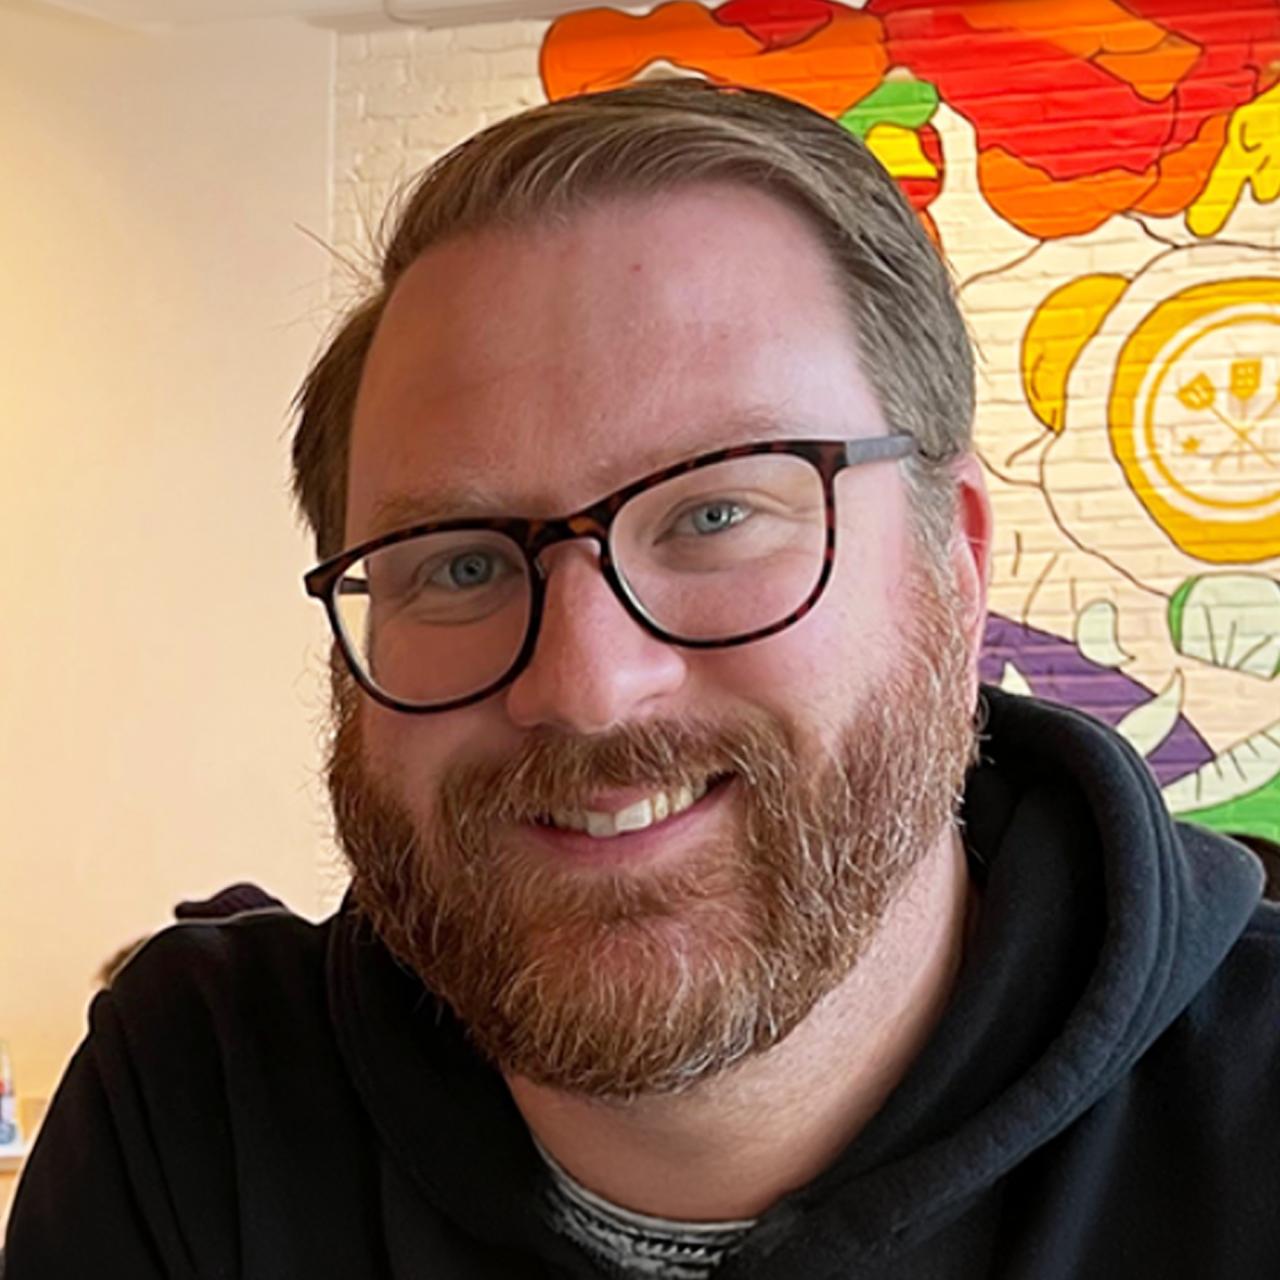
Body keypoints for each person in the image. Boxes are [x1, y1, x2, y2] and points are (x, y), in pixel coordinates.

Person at [6, 81, 1279, 1279]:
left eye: (716, 515)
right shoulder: (198, 1118)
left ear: (955, 564)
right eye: (458, 564)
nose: (585, 686)